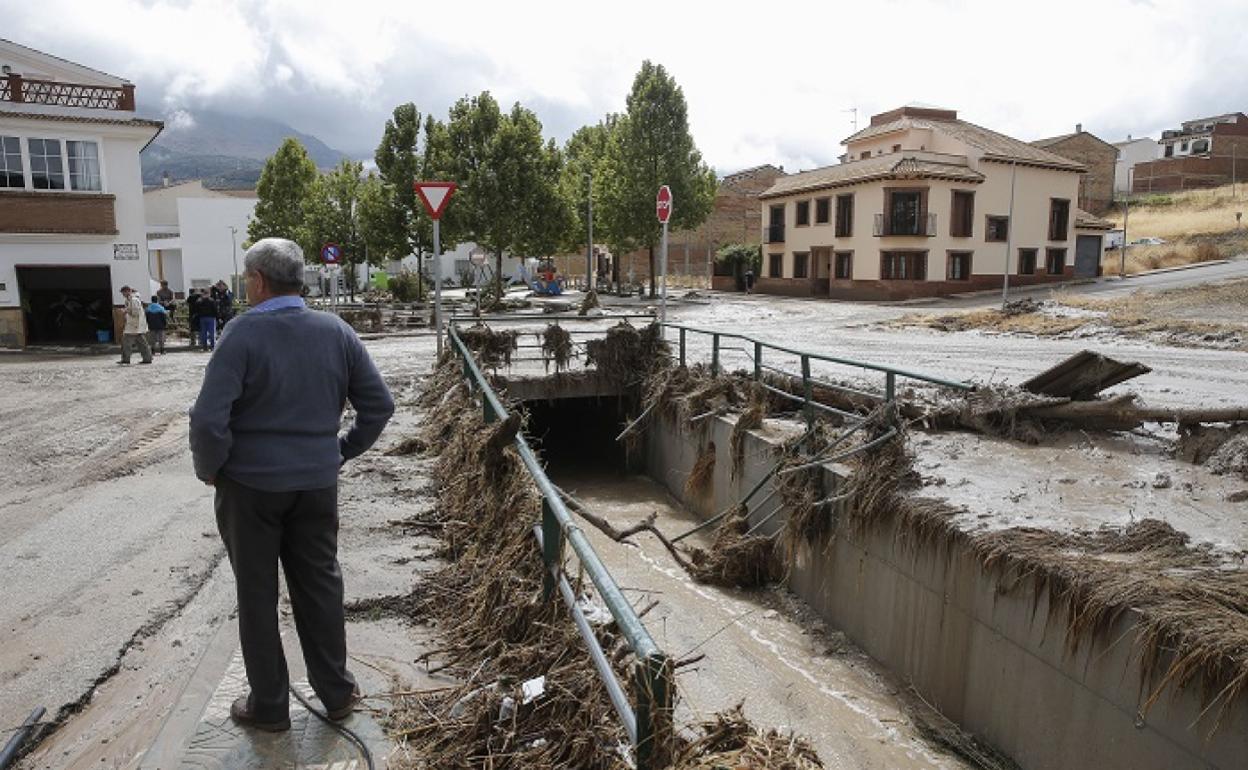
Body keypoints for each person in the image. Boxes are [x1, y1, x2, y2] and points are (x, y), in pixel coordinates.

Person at [189, 238, 394, 733]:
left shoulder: (240, 335)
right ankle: (338, 694)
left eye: (246, 278)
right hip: (316, 485)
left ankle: (270, 707)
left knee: (257, 596)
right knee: (320, 586)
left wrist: (211, 469)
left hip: (250, 489)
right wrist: (339, 450)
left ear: (258, 280)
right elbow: (379, 406)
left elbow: (207, 421)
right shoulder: (336, 332)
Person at [118, 286, 153, 365]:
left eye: (123, 292)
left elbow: (135, 313)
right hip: (136, 325)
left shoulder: (134, 300)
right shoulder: (131, 300)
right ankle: (147, 358)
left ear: (127, 291)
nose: (123, 294)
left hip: (134, 325)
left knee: (126, 342)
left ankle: (126, 359)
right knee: (141, 343)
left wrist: (126, 311)